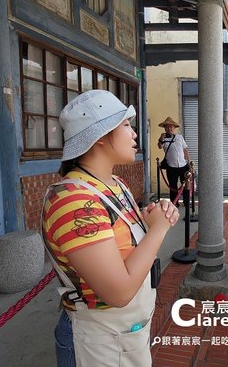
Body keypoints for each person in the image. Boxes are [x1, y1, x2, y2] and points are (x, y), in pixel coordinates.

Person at [42, 90, 180, 367]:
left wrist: (153, 215)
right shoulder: (74, 201)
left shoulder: (114, 184)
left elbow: (122, 232)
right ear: (101, 136)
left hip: (124, 335)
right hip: (97, 341)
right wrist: (158, 230)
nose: (134, 134)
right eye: (126, 125)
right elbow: (118, 293)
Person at [157, 116, 191, 207]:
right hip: (171, 166)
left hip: (183, 165)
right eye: (167, 127)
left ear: (174, 128)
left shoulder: (180, 137)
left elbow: (185, 150)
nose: (169, 128)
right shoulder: (163, 139)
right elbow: (160, 146)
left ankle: (187, 202)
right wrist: (161, 138)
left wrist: (189, 162)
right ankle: (174, 203)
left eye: (171, 126)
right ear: (165, 128)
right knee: (173, 186)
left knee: (186, 185)